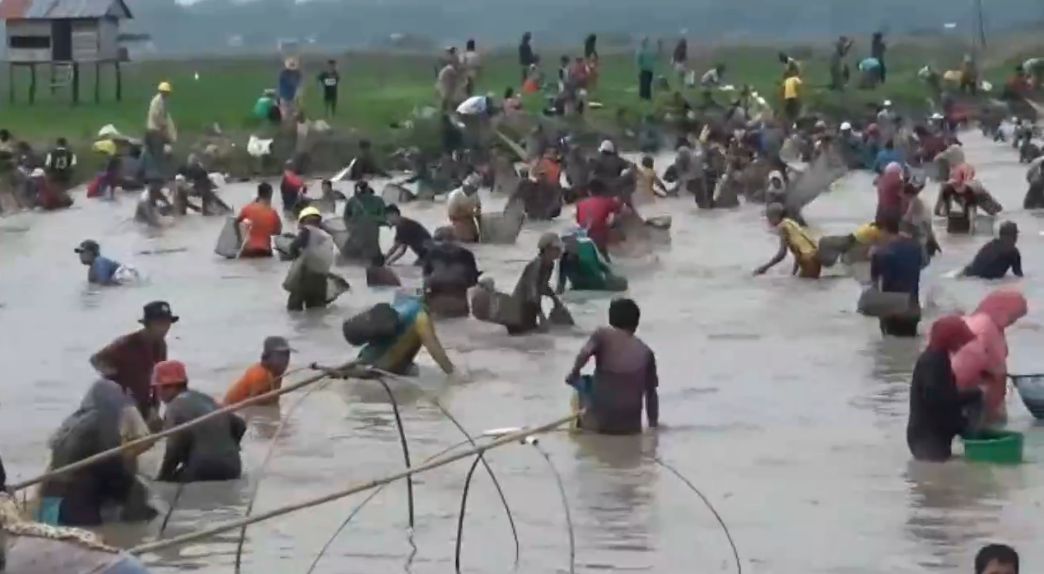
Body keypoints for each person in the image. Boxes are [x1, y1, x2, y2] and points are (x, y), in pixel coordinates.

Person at [36, 379, 157, 527]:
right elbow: (113, 466)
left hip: (49, 502)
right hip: (69, 506)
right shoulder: (101, 422)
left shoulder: (75, 420)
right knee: (135, 491)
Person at [565, 298, 658, 435]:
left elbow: (584, 354)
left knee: (582, 385)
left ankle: (582, 426)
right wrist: (653, 428)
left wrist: (574, 373)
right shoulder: (646, 352)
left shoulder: (602, 335)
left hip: (600, 423)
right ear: (636, 323)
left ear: (610, 319)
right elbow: (651, 394)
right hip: (630, 428)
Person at [153, 360, 245, 483]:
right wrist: (229, 447)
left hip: (202, 470)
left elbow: (174, 448)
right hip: (233, 467)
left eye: (157, 389)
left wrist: (162, 477)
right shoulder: (205, 399)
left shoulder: (174, 407)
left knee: (165, 490)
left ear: (167, 387)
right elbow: (239, 424)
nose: (158, 395)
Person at [906, 315, 982, 462]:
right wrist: (962, 424)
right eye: (959, 341)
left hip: (928, 434)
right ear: (950, 339)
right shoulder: (933, 363)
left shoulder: (937, 357)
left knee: (937, 477)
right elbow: (938, 401)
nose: (961, 346)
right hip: (927, 437)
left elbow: (943, 397)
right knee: (934, 480)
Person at [951, 289, 1028, 428]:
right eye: (1014, 317)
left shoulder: (970, 320)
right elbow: (998, 374)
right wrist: (995, 410)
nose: (1013, 322)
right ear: (1003, 311)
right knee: (987, 428)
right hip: (970, 391)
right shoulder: (988, 328)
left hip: (946, 388)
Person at [91, 301, 175, 418]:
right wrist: (116, 377)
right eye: (159, 324)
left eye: (167, 323)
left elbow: (157, 381)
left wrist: (154, 407)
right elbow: (96, 360)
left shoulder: (161, 345)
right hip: (121, 406)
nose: (164, 329)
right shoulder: (126, 343)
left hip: (144, 403)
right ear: (148, 324)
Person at [352, 295, 455, 376]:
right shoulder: (421, 316)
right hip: (386, 366)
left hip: (367, 355)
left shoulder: (402, 305)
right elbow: (433, 347)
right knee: (415, 372)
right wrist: (452, 372)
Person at [870, 218, 923, 337]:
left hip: (892, 310)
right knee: (911, 348)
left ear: (884, 231)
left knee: (890, 347)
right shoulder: (916, 247)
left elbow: (874, 285)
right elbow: (922, 264)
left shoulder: (879, 252)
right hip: (912, 308)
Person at [509, 233, 566, 335]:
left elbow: (543, 286)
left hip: (532, 305)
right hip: (520, 306)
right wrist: (541, 313)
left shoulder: (549, 265)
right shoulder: (536, 265)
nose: (559, 251)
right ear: (547, 249)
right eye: (556, 249)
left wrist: (555, 300)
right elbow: (532, 291)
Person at [285, 206, 337, 311]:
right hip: (321, 280)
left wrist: (295, 255)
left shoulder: (307, 231)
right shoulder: (327, 236)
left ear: (303, 220)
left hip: (304, 278)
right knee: (317, 311)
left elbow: (293, 247)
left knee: (293, 309)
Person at [423, 227, 481, 316]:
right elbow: (473, 281)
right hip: (459, 302)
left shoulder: (431, 254)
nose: (446, 242)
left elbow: (425, 281)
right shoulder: (467, 255)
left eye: (448, 239)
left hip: (437, 303)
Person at [754, 203, 820, 278]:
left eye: (769, 218)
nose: (768, 221)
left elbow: (782, 254)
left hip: (809, 260)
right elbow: (799, 248)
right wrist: (794, 272)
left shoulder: (782, 227)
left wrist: (764, 268)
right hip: (814, 257)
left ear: (775, 217)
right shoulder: (790, 223)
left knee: (806, 286)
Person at [223, 337, 294, 407]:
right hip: (229, 407)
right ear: (267, 356)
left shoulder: (277, 372)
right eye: (280, 356)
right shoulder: (260, 375)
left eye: (287, 355)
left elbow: (273, 401)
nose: (285, 360)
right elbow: (253, 407)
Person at [558, 230, 626, 292]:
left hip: (596, 283)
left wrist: (609, 274)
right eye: (567, 243)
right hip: (587, 285)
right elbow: (561, 284)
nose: (569, 244)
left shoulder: (587, 247)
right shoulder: (564, 261)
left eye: (571, 241)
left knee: (623, 282)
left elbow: (600, 265)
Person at [576, 178, 624, 257]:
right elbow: (621, 209)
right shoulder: (607, 201)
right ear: (603, 191)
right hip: (599, 234)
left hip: (582, 235)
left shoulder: (580, 203)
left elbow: (578, 221)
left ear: (589, 191)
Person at [236, 182, 282, 258]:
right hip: (265, 250)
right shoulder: (272, 212)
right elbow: (278, 231)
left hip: (248, 249)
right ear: (270, 194)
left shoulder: (247, 209)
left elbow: (235, 222)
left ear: (258, 194)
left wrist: (240, 240)